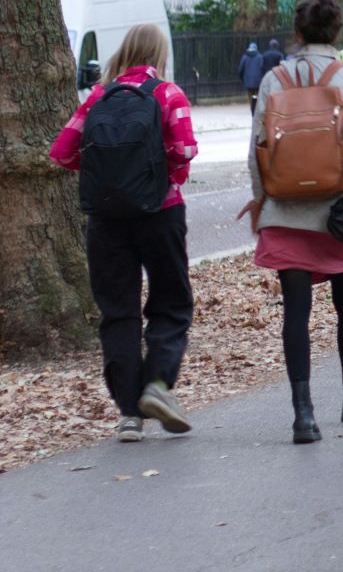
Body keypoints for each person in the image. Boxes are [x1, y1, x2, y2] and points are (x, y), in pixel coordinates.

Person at [243, 0, 343, 444]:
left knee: (296, 311)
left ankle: (303, 415)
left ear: (297, 34)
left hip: (286, 213)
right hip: (339, 211)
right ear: (337, 32)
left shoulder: (274, 79)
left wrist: (261, 201)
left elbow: (257, 148)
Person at [50, 23, 198, 443]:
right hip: (161, 212)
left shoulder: (98, 98)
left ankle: (128, 414)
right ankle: (158, 385)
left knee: (118, 311)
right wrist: (157, 173)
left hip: (106, 218)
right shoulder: (168, 94)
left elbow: (62, 152)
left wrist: (110, 177)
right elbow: (185, 150)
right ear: (158, 54)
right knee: (170, 301)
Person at [237, 40, 267, 113]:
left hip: (248, 81)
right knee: (257, 95)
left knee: (250, 96)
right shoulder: (260, 57)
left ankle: (252, 110)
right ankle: (257, 109)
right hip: (258, 81)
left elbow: (240, 69)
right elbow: (263, 68)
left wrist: (242, 78)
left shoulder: (245, 57)